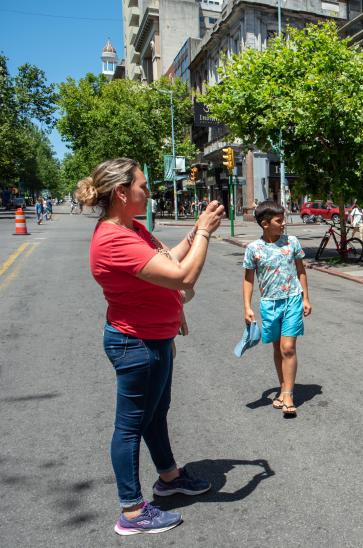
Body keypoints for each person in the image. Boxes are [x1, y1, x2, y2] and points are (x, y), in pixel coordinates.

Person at [78, 158, 225, 535]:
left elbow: (167, 260)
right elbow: (182, 275)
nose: (149, 191)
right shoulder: (114, 239)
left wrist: (194, 232)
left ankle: (169, 477)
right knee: (129, 426)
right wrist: (206, 233)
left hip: (154, 338)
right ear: (122, 193)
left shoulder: (132, 228)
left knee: (156, 414)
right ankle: (131, 512)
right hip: (136, 343)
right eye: (143, 185)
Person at [242, 200, 312, 416]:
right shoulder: (254, 249)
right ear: (265, 223)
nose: (284, 224)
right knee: (277, 348)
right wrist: (247, 306)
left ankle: (289, 395)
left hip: (292, 299)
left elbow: (301, 271)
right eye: (279, 221)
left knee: (288, 347)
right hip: (269, 304)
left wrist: (306, 298)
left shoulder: (292, 242)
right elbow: (248, 280)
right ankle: (283, 387)